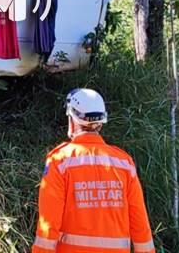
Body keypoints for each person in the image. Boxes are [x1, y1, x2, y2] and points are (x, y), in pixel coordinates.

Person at [32, 88, 155, 252]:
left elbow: (48, 224)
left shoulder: (60, 161)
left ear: (72, 120)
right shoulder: (124, 163)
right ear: (100, 122)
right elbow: (140, 225)